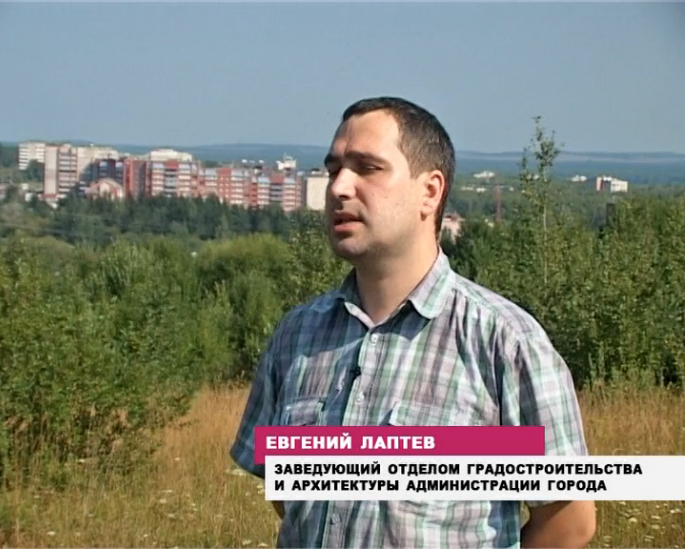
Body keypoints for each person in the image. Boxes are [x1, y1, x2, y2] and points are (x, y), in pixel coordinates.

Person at [229, 96, 596, 548]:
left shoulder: (504, 342)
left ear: (430, 192)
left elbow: (569, 522)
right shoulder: (296, 337)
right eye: (333, 169)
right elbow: (285, 493)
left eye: (367, 168)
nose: (339, 187)